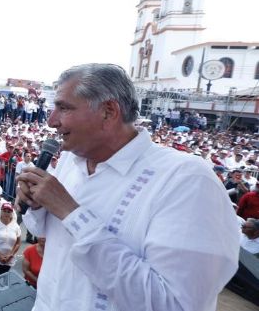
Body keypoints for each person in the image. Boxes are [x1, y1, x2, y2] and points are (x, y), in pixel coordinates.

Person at [16, 64, 239, 311]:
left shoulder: (186, 180)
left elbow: (173, 303)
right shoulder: (71, 158)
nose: (51, 121)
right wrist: (36, 204)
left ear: (108, 111)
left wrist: (72, 213)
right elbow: (45, 232)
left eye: (64, 108)